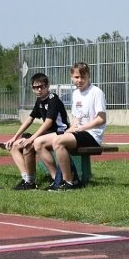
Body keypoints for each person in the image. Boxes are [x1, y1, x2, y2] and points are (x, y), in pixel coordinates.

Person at [38, 62, 106, 191]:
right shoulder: (75, 94)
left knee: (58, 141)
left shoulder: (96, 92)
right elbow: (76, 119)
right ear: (71, 77)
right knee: (39, 142)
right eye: (76, 77)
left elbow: (101, 119)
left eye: (83, 77)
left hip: (92, 135)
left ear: (89, 77)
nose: (79, 80)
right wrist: (70, 130)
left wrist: (81, 128)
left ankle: (69, 182)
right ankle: (56, 180)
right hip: (77, 132)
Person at [4, 73, 69, 190]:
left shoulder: (53, 99)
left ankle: (57, 179)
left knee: (31, 143)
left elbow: (48, 123)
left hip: (61, 132)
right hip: (48, 134)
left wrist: (31, 138)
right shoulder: (39, 101)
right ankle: (28, 181)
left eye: (42, 86)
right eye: (35, 87)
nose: (39, 89)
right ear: (32, 88)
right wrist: (15, 137)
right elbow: (29, 119)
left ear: (47, 86)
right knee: (15, 146)